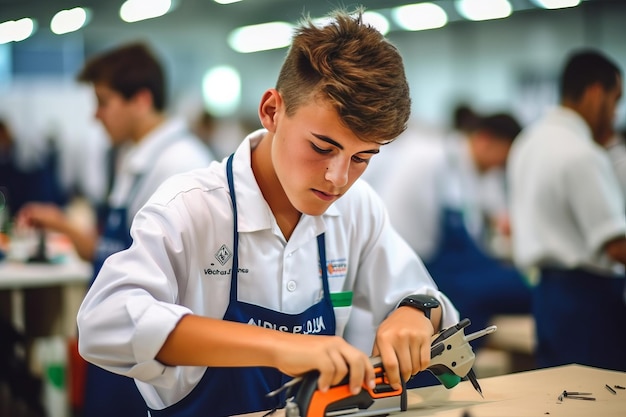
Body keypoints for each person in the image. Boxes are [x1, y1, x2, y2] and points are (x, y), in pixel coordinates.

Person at [76, 9, 459, 417]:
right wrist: (281, 346)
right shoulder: (191, 207)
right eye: (322, 147)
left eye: (362, 157)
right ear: (272, 111)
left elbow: (423, 295)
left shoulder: (356, 208)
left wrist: (416, 313)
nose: (338, 178)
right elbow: (104, 322)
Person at [17, 42, 215, 416]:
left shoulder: (180, 165)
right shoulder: (136, 156)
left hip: (148, 355)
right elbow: (114, 254)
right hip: (124, 340)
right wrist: (60, 224)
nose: (95, 116)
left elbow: (191, 287)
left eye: (103, 102)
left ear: (140, 100)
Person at [507, 49, 626, 371]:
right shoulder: (582, 153)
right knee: (598, 400)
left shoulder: (528, 142)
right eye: (616, 100)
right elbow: (617, 246)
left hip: (548, 296)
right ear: (595, 92)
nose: (614, 114)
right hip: (589, 301)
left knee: (558, 393)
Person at [375, 113, 532, 345]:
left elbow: (491, 214)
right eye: (503, 158)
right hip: (424, 267)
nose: (500, 167)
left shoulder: (468, 167)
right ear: (485, 140)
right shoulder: (437, 160)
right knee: (515, 289)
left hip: (442, 265)